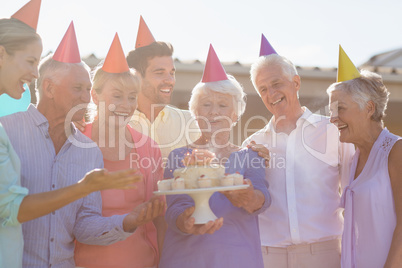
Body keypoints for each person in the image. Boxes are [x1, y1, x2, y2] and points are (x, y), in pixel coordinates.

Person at [0, 22, 158, 267]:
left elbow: (84, 225)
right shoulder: (6, 131)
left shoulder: (88, 151)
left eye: (87, 90)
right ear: (49, 88)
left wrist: (126, 221)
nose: (87, 98)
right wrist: (81, 188)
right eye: (77, 89)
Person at [243, 40, 354, 268]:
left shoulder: (334, 130)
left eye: (276, 83)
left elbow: (356, 194)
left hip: (325, 254)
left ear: (296, 82)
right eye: (263, 89)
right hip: (268, 256)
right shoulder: (252, 145)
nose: (271, 93)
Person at [159, 45, 270, 268]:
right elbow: (174, 208)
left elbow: (263, 198)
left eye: (222, 105)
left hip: (238, 259)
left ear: (235, 114)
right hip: (185, 258)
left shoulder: (250, 156)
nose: (213, 112)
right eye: (206, 105)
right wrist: (186, 221)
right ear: (195, 112)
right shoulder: (179, 156)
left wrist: (249, 198)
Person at [74, 33, 165, 268]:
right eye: (117, 96)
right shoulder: (73, 142)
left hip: (142, 262)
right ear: (95, 95)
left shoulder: (148, 148)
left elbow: (160, 217)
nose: (126, 105)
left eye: (132, 97)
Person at [327, 56, 402, 267]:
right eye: (331, 111)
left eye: (340, 109)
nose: (332, 118)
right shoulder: (352, 159)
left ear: (369, 108)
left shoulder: (396, 150)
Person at [126, 16, 200, 159]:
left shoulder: (190, 122)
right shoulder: (118, 123)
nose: (170, 80)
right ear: (136, 77)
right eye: (159, 73)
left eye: (172, 73)